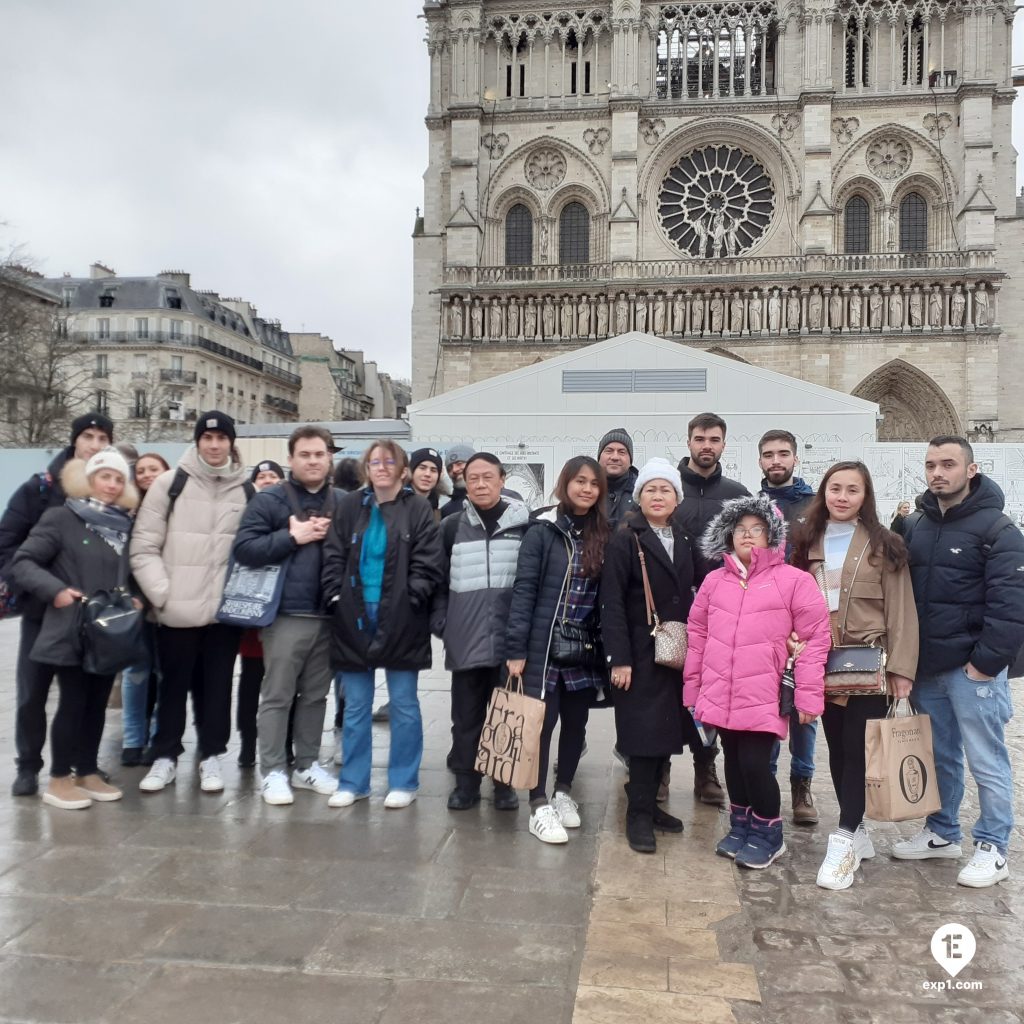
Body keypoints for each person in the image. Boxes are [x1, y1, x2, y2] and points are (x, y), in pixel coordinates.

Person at [892, 436, 1024, 887]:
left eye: (948, 464)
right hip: (928, 668)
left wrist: (985, 664)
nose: (937, 473)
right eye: (931, 464)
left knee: (987, 759)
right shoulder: (917, 525)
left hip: (972, 671)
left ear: (971, 470)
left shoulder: (999, 530)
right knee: (940, 756)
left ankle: (993, 846)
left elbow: (1011, 605)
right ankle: (942, 832)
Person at [791, 461, 919, 890]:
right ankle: (858, 829)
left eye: (852, 490)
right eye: (835, 488)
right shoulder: (806, 540)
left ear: (866, 497)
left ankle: (844, 838)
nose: (842, 497)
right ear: (823, 493)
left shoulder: (886, 544)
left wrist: (902, 670)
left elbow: (902, 609)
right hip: (822, 664)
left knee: (858, 750)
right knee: (837, 749)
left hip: (868, 666)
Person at [684, 495, 830, 868]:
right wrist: (693, 689)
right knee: (733, 761)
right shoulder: (714, 582)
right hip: (722, 690)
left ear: (772, 535)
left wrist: (808, 697)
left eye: (757, 529)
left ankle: (768, 834)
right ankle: (742, 826)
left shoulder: (794, 581)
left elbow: (814, 639)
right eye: (740, 529)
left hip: (765, 692)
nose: (747, 536)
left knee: (754, 763)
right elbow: (697, 636)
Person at [10, 448, 139, 809]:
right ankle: (58, 779)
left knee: (97, 703)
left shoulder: (123, 525)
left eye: (118, 479)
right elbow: (24, 562)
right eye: (104, 476)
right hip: (72, 627)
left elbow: (128, 573)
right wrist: (56, 591)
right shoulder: (61, 517)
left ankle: (86, 771)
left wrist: (135, 598)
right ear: (88, 479)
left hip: (108, 632)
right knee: (73, 701)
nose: (111, 485)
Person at [131, 411, 252, 794]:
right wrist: (162, 595)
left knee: (217, 687)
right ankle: (165, 755)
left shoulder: (247, 489)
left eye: (221, 438)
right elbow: (143, 546)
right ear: (197, 441)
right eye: (207, 438)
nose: (214, 445)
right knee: (172, 686)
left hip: (224, 614)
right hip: (175, 611)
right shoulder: (170, 483)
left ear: (231, 442)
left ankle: (211, 755)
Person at [321, 440, 442, 808]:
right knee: (356, 705)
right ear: (366, 468)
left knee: (403, 703)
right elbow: (333, 553)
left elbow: (428, 560)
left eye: (390, 462)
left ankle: (403, 781)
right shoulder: (349, 507)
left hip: (402, 615)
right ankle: (353, 782)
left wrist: (413, 597)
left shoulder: (417, 508)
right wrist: (335, 596)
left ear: (403, 470)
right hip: (353, 613)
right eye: (375, 462)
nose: (382, 468)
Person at [0, 411, 114, 797]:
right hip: (42, 609)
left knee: (82, 695)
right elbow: (8, 545)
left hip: (86, 616)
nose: (94, 445)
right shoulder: (40, 488)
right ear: (74, 440)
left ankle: (81, 764)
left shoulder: (108, 493)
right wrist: (41, 587)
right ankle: (28, 765)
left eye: (102, 438)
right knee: (32, 692)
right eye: (88, 436)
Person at [234, 428, 341, 806]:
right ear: (291, 459)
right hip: (285, 614)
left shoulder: (344, 501)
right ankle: (273, 770)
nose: (313, 461)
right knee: (277, 695)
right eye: (305, 454)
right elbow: (245, 549)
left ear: (329, 458)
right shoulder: (269, 500)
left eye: (319, 454)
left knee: (315, 696)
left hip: (330, 615)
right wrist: (293, 537)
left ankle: (307, 764)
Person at [505, 456, 610, 845]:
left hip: (583, 647)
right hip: (545, 646)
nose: (587, 489)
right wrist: (516, 648)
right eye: (580, 481)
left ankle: (563, 791)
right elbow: (524, 590)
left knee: (576, 723)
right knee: (541, 724)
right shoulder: (542, 530)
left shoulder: (605, 533)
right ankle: (538, 803)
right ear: (565, 483)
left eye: (594, 484)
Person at [601, 458, 700, 853]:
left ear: (677, 498)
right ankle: (637, 814)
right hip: (640, 653)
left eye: (666, 490)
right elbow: (611, 602)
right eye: (650, 490)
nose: (658, 496)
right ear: (639, 497)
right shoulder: (626, 538)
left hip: (674, 650)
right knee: (643, 735)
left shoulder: (685, 537)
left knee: (667, 732)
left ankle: (651, 808)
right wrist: (620, 658)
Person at [433, 453, 531, 811]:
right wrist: (443, 623)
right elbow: (437, 583)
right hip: (465, 639)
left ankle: (503, 785)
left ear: (502, 480)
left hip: (510, 641)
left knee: (506, 714)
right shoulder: (451, 527)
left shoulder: (523, 527)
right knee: (466, 717)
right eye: (473, 478)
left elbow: (531, 584)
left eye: (487, 477)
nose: (480, 484)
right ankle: (466, 784)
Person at [757, 429, 819, 825]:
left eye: (783, 453)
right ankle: (765, 784)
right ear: (760, 461)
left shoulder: (816, 506)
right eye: (769, 455)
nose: (776, 460)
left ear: (795, 458)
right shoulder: (753, 506)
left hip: (806, 618)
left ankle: (802, 785)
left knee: (803, 707)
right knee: (767, 704)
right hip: (765, 618)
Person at [234, 460, 287, 770]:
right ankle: (247, 743)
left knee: (285, 684)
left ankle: (284, 744)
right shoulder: (247, 513)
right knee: (251, 682)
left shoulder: (289, 512)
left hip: (283, 611)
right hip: (253, 612)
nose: (267, 480)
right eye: (261, 476)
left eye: (273, 476)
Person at [119, 451, 170, 767]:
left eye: (154, 469)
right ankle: (132, 739)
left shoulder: (177, 508)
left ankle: (157, 737)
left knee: (166, 674)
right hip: (135, 604)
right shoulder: (126, 511)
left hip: (168, 603)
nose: (148, 475)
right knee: (136, 673)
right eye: (141, 471)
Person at [598, 427, 638, 530]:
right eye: (609, 451)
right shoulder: (588, 490)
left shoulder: (641, 493)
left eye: (622, 452)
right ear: (599, 457)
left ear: (630, 460)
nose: (615, 457)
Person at [408, 447, 448, 522]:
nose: (427, 474)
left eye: (433, 470)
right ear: (411, 471)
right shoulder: (397, 504)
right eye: (422, 468)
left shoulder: (437, 512)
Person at [440, 444, 474, 519]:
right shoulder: (445, 511)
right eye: (449, 468)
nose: (454, 470)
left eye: (459, 464)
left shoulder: (494, 499)